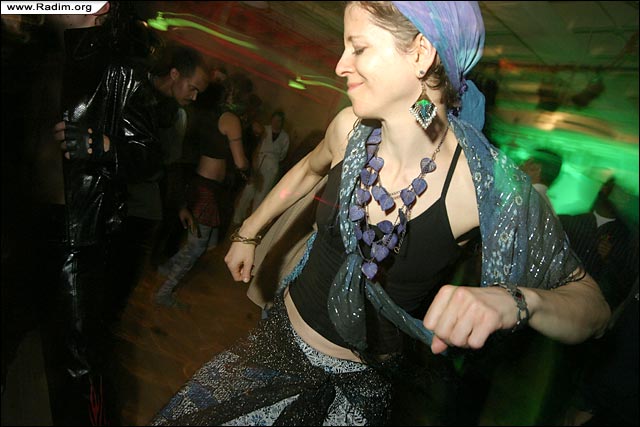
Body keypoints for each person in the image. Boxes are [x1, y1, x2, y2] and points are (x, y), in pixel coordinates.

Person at [151, 2, 610, 425]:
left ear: (421, 54)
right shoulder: (350, 128)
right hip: (273, 347)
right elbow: (308, 170)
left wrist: (516, 301)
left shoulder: (484, 186)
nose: (340, 65)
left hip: (352, 396)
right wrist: (249, 232)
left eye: (358, 47)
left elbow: (593, 307)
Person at [108, 45, 210, 316]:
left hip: (143, 202)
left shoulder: (178, 116)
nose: (194, 96)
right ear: (175, 74)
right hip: (112, 191)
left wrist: (180, 206)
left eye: (199, 92)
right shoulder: (133, 89)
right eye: (192, 88)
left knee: (125, 271)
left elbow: (172, 165)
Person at [155, 72, 252, 307]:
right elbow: (240, 161)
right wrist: (249, 168)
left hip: (199, 182)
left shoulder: (210, 113)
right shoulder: (230, 119)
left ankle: (166, 267)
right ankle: (164, 293)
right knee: (198, 246)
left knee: (203, 242)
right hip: (208, 189)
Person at [232, 110, 290, 225]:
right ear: (271, 119)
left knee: (262, 194)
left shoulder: (285, 137)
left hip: (272, 166)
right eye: (275, 120)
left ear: (282, 122)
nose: (276, 123)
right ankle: (237, 217)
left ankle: (251, 222)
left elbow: (283, 154)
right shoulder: (264, 130)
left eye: (279, 121)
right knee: (249, 190)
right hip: (259, 161)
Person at [520, 147, 563, 215]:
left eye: (524, 162)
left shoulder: (523, 199)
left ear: (536, 169)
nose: (519, 167)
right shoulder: (544, 203)